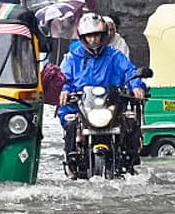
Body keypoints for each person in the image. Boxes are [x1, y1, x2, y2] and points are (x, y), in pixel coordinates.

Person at [59, 13, 146, 170]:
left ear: (104, 36)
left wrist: (136, 85)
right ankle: (72, 161)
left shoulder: (115, 56)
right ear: (82, 37)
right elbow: (65, 78)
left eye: (97, 36)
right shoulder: (72, 58)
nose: (93, 40)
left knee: (131, 122)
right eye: (89, 36)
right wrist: (65, 90)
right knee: (70, 122)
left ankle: (131, 159)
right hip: (82, 106)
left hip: (111, 105)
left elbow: (130, 71)